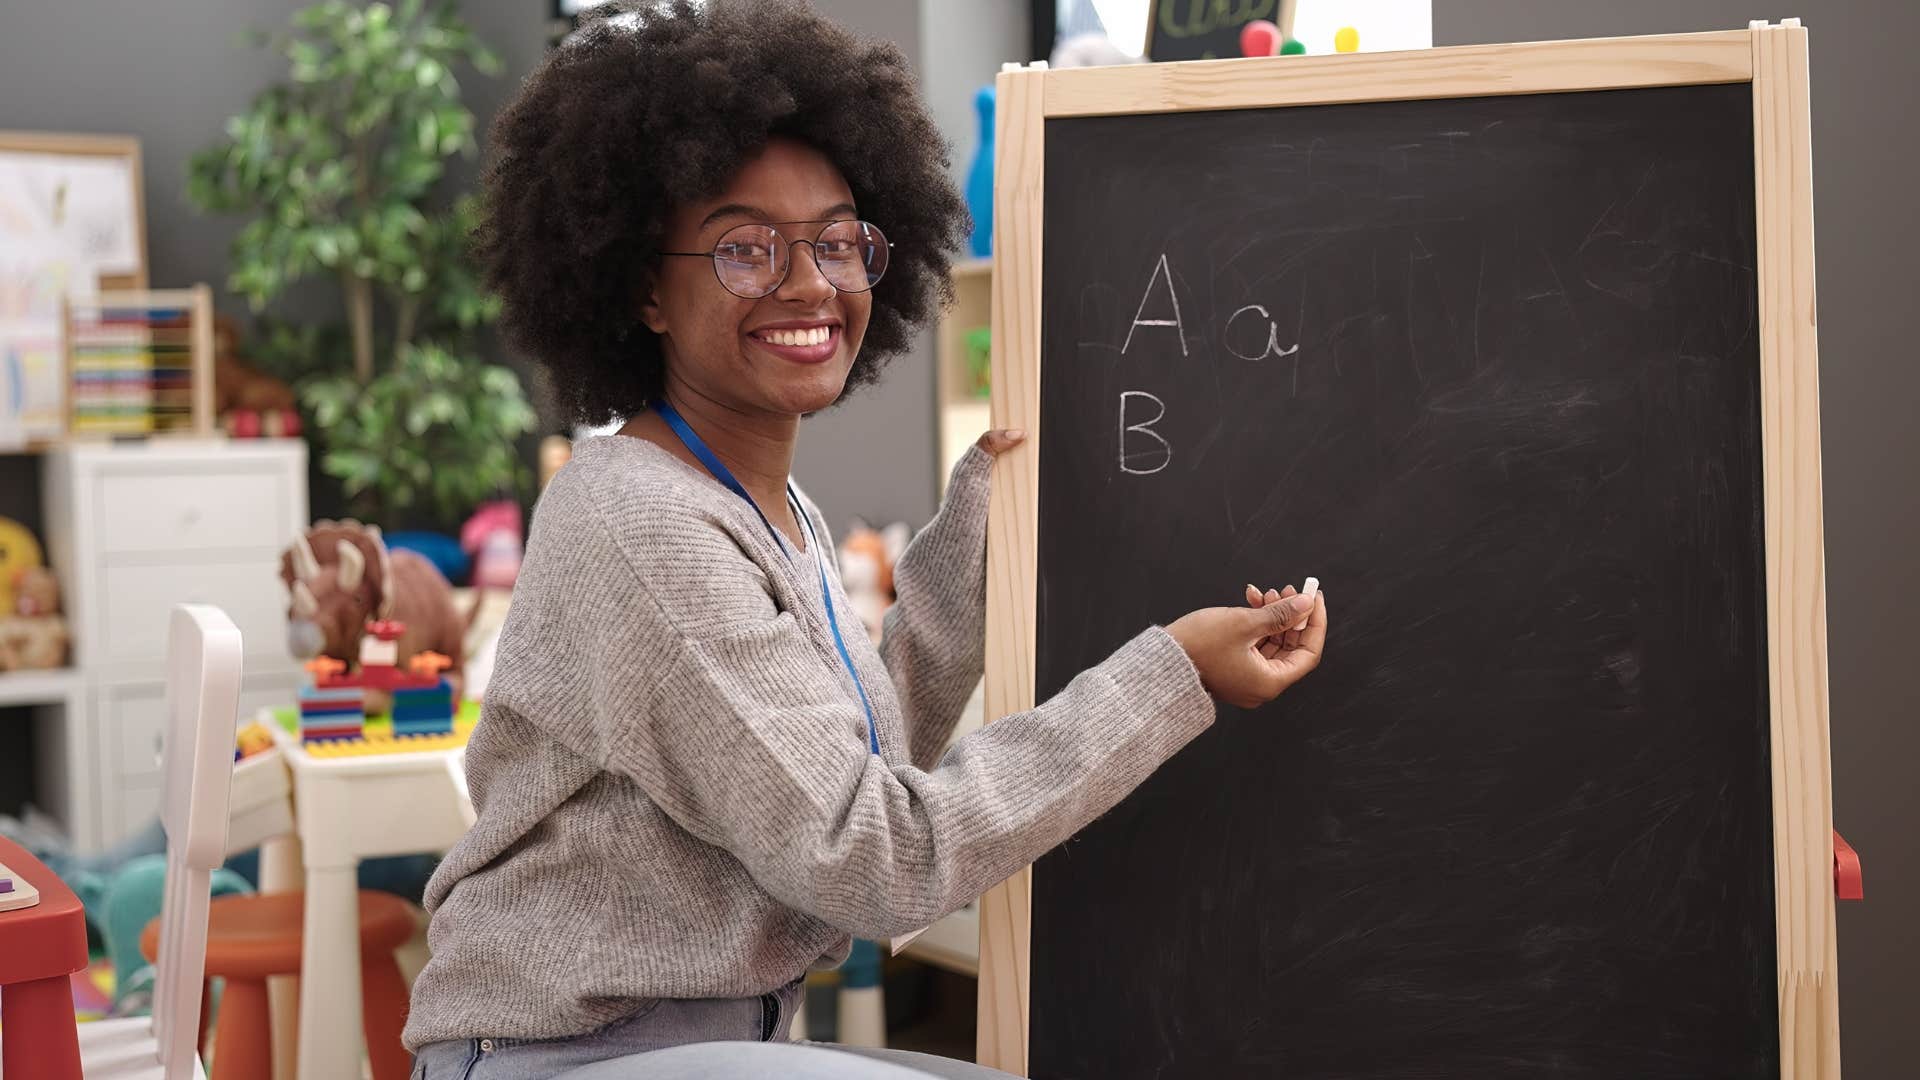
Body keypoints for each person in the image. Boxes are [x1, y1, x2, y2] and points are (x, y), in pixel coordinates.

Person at [404, 2, 1330, 1077]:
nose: (809, 282)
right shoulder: (642, 522)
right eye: (745, 248)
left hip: (702, 1043)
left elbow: (855, 763)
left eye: (838, 241)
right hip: (572, 1057)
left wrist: (979, 526)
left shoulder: (758, 503)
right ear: (644, 287)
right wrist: (1174, 677)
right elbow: (875, 853)